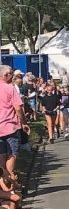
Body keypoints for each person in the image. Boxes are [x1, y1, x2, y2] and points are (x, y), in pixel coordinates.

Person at [0, 66, 29, 199]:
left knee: (2, 159)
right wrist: (24, 123)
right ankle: (12, 185)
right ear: (5, 75)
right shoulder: (10, 88)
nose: (12, 76)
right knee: (12, 156)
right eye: (10, 74)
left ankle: (6, 186)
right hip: (11, 127)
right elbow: (18, 108)